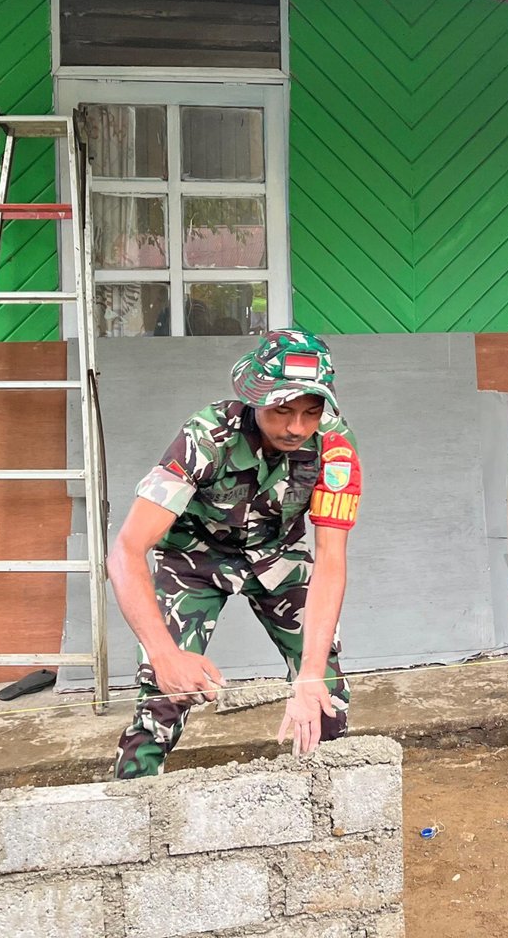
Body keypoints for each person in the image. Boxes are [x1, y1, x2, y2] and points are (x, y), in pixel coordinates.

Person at [110, 329, 362, 776]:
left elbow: (330, 562)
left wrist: (309, 672)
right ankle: (130, 799)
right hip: (194, 559)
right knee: (164, 696)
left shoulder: (334, 447)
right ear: (254, 398)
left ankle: (324, 797)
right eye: (282, 410)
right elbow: (126, 551)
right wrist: (164, 655)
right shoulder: (206, 437)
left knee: (324, 692)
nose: (296, 427)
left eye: (311, 412)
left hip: (277, 556)